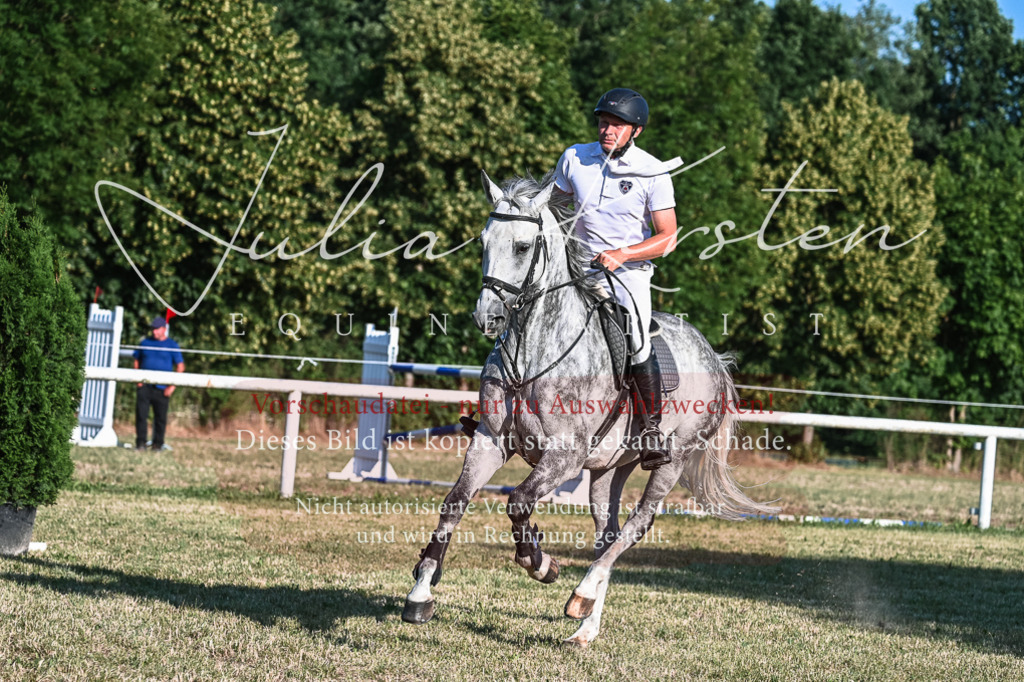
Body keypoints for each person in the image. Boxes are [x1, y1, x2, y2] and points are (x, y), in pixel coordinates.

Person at [553, 87, 680, 470]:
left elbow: (668, 238)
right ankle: (497, 411)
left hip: (628, 274)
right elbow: (555, 209)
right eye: (603, 122)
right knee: (522, 310)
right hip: (575, 268)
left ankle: (651, 429)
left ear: (635, 131)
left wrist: (623, 253)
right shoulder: (574, 157)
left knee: (636, 338)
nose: (607, 130)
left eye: (616, 125)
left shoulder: (654, 171)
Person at [133, 316, 185, 451]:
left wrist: (172, 387)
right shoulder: (144, 343)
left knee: (160, 419)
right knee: (141, 416)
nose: (154, 332)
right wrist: (138, 380)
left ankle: (158, 444)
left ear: (163, 329)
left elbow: (180, 367)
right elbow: (136, 360)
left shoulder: (172, 345)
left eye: (156, 329)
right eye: (153, 329)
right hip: (144, 386)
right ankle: (141, 443)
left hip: (162, 388)